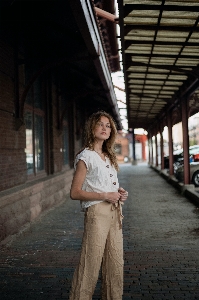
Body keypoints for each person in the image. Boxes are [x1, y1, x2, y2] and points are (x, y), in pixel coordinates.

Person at [69, 111, 128, 300]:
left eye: (108, 125)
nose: (105, 128)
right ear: (92, 127)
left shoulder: (109, 156)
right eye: (100, 124)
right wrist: (104, 195)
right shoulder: (86, 156)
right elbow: (75, 192)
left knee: (115, 264)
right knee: (90, 264)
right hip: (97, 213)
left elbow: (108, 185)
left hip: (114, 212)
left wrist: (119, 193)